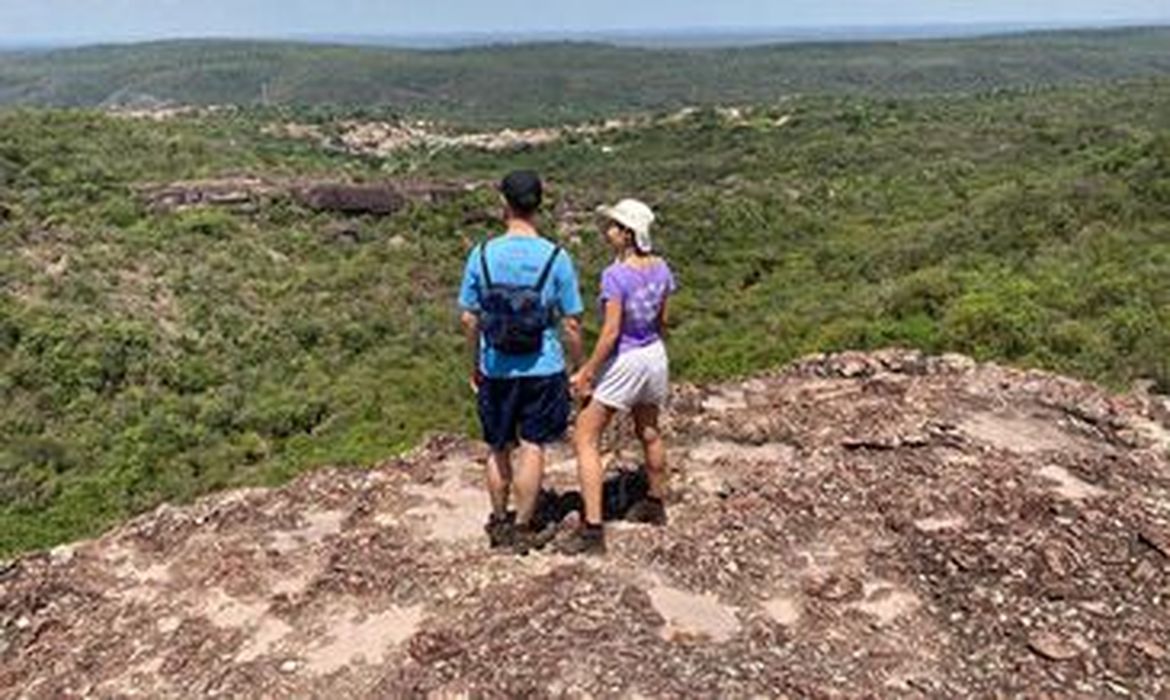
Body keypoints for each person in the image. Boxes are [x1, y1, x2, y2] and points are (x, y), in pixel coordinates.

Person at [458, 170, 584, 554]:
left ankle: (499, 522)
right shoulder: (556, 258)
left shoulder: (481, 254)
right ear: (539, 205)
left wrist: (472, 365)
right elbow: (572, 322)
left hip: (495, 366)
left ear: (504, 204)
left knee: (498, 447)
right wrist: (577, 369)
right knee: (532, 445)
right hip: (542, 367)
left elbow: (469, 318)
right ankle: (523, 527)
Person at [561, 199, 677, 555]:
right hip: (654, 353)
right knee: (649, 429)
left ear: (627, 234)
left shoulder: (615, 276)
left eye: (613, 226)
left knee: (585, 435)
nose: (607, 231)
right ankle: (655, 502)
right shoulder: (661, 268)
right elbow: (663, 320)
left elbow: (611, 332)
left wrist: (587, 371)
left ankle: (592, 528)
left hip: (627, 357)